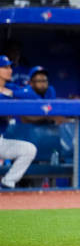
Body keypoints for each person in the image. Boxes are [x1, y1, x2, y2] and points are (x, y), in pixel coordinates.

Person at [0, 55, 37, 189]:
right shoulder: (7, 92)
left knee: (28, 149)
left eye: (10, 66)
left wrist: (9, 93)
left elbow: (31, 94)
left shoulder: (10, 88)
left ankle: (7, 182)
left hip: (1, 141)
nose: (9, 70)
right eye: (4, 67)